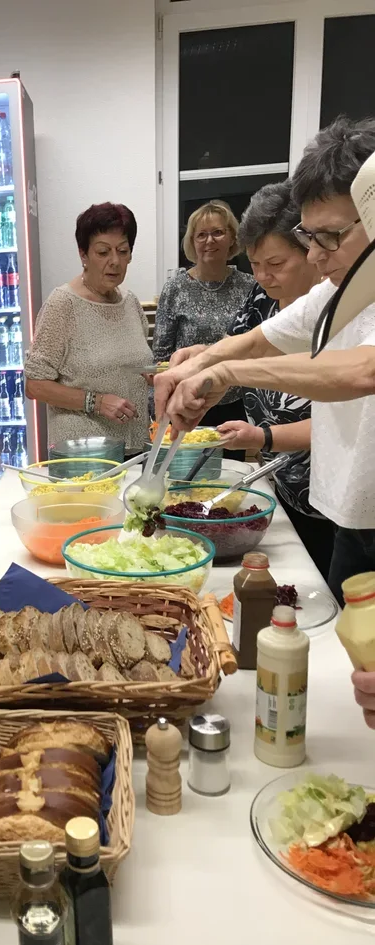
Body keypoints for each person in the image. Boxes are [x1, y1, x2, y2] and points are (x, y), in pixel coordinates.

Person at [153, 116, 375, 606]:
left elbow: (363, 371)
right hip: (350, 517)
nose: (316, 256)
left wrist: (225, 373)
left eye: (331, 236)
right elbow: (257, 339)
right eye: (309, 235)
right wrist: (191, 367)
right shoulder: (344, 288)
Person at [216, 180, 335, 578]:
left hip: (331, 501)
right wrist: (198, 364)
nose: (264, 276)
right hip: (280, 488)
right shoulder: (261, 300)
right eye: (254, 264)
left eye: (277, 263)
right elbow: (238, 347)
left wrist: (264, 438)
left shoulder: (336, 312)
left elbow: (341, 421)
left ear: (313, 252)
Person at [25, 202, 151, 455]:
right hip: (84, 455)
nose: (115, 261)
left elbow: (131, 365)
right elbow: (34, 385)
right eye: (103, 252)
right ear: (84, 255)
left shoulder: (131, 303)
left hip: (135, 448)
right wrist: (97, 402)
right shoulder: (63, 305)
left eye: (123, 251)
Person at [152, 200, 254, 433]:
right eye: (201, 235)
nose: (210, 241)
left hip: (235, 401)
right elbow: (161, 356)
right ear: (192, 242)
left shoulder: (250, 286)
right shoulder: (175, 288)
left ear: (232, 238)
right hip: (186, 400)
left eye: (218, 232)